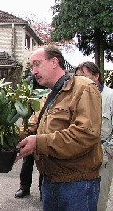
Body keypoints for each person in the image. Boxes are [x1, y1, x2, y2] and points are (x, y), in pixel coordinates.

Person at [16, 44, 103, 211]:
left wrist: (38, 143)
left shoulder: (84, 88)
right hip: (50, 183)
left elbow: (85, 135)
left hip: (77, 185)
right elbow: (31, 127)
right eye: (31, 66)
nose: (33, 71)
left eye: (36, 64)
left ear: (54, 61)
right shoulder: (50, 96)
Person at [75, 61, 113, 211]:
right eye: (77, 77)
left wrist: (109, 152)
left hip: (104, 155)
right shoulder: (76, 97)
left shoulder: (110, 97)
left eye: (84, 76)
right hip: (80, 155)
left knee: (99, 199)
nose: (79, 80)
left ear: (96, 76)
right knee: (80, 197)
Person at [15, 75, 45, 199]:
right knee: (27, 160)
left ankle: (43, 190)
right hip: (29, 125)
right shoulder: (29, 81)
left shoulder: (52, 83)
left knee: (44, 160)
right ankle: (24, 187)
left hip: (46, 126)